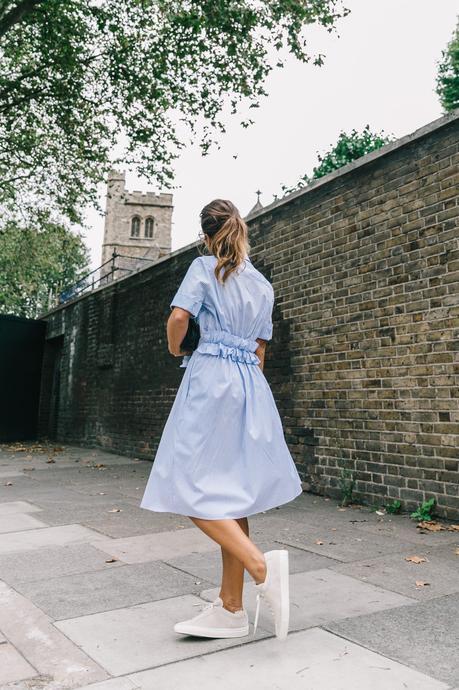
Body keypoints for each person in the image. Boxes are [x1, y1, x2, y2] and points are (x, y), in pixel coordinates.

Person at [140, 199, 303, 641]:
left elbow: (179, 318)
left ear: (207, 235)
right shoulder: (263, 286)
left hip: (211, 377)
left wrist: (177, 349)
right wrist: (247, 386)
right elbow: (261, 350)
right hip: (250, 385)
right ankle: (231, 608)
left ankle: (260, 566)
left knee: (185, 480)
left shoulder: (204, 267)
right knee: (232, 492)